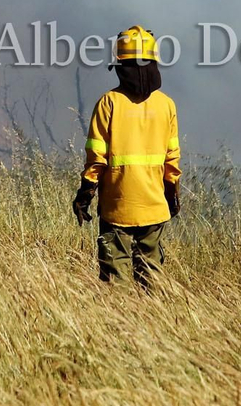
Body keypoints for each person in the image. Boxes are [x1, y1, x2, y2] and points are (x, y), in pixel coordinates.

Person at [73, 25, 181, 287]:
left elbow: (96, 158)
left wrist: (85, 194)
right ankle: (157, 326)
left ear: (120, 64)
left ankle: (119, 327)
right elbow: (172, 160)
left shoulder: (108, 102)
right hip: (155, 207)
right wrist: (172, 195)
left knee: (115, 285)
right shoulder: (166, 104)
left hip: (117, 208)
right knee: (152, 279)